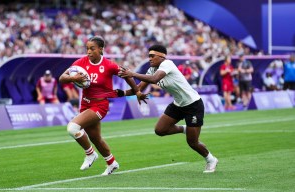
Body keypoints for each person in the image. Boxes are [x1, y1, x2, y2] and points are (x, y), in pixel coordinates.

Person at [118, 44, 218, 173]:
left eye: (152, 56)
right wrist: (118, 93)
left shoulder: (167, 64)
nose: (149, 59)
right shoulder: (151, 70)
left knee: (192, 142)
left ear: (162, 56)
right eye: (149, 56)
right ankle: (184, 128)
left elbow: (155, 79)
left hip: (193, 105)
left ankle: (211, 159)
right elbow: (137, 89)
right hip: (178, 104)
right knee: (160, 130)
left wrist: (132, 73)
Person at [59, 36, 145, 176]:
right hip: (85, 103)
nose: (88, 51)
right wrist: (73, 78)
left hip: (100, 105)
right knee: (95, 138)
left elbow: (127, 75)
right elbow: (62, 78)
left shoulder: (109, 65)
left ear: (100, 49)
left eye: (92, 48)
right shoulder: (81, 62)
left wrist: (137, 91)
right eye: (87, 48)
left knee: (72, 128)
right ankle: (112, 163)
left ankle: (90, 154)